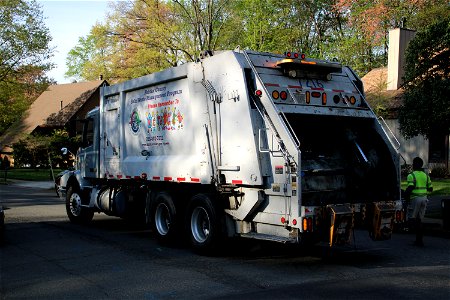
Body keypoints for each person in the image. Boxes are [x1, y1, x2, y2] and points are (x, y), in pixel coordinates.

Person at [404, 157, 433, 246]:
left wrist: (406, 196)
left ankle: (414, 236)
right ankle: (419, 240)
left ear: (413, 165)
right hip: (424, 199)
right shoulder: (426, 176)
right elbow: (430, 189)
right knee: (420, 220)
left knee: (412, 219)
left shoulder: (411, 175)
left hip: (415, 199)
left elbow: (410, 187)